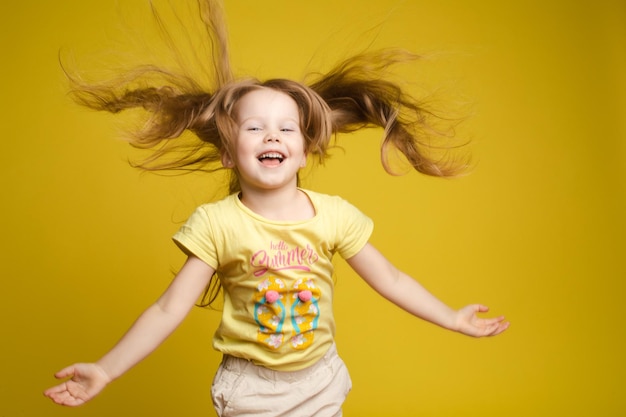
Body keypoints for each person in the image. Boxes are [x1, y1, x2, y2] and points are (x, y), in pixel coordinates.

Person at [44, 1, 509, 416]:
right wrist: (106, 369)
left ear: (306, 152)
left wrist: (452, 318)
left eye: (286, 129)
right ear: (228, 153)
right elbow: (168, 310)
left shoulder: (334, 215)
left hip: (320, 380)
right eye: (254, 128)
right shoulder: (217, 223)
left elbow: (391, 279)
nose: (271, 136)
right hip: (252, 392)